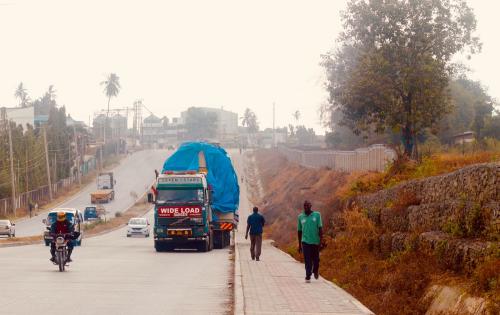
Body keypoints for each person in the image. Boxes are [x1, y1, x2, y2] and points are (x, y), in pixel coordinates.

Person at [297, 200, 323, 283]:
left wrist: (320, 241)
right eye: (304, 206)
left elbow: (320, 228)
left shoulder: (317, 215)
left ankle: (315, 270)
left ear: (311, 206)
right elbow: (299, 231)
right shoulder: (300, 217)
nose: (306, 207)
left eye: (307, 205)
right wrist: (299, 245)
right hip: (305, 242)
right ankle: (308, 275)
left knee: (316, 260)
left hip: (315, 241)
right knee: (307, 260)